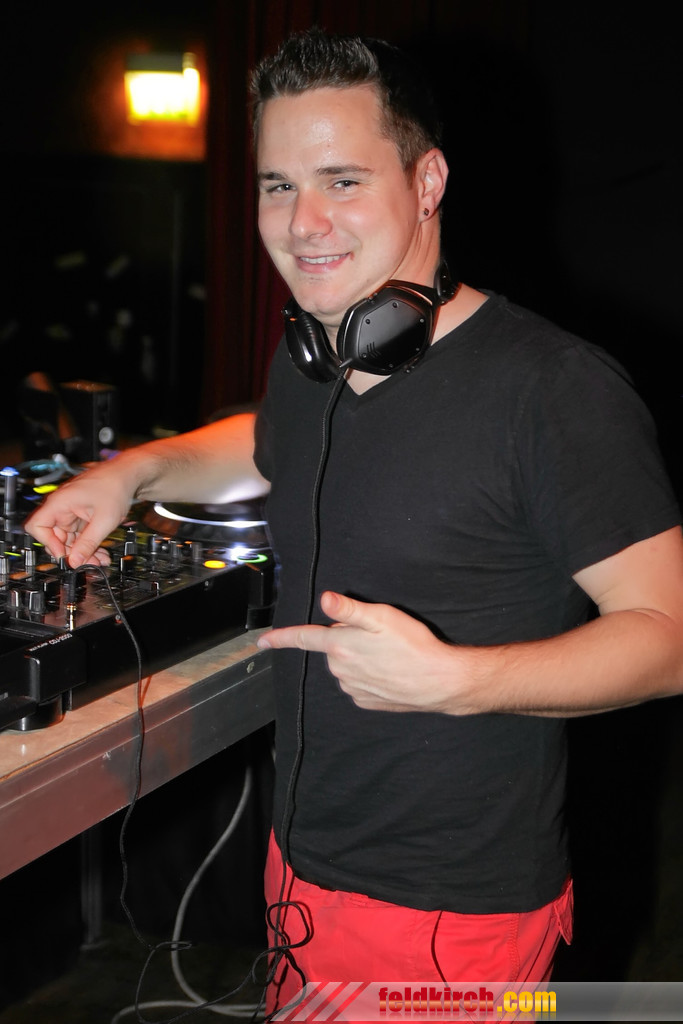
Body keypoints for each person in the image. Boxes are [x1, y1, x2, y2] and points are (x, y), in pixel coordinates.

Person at [25, 27, 683, 1014]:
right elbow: (263, 439)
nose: (302, 223)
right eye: (277, 185)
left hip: (449, 916)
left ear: (427, 181)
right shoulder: (321, 354)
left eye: (341, 180)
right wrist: (134, 471)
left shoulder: (552, 390)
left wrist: (457, 680)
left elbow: (668, 636)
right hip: (304, 869)